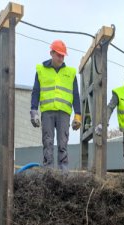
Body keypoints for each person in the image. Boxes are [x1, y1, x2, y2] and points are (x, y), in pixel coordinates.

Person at [30, 40, 81, 171]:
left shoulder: (70, 73)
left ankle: (63, 172)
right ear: (51, 53)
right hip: (47, 112)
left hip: (64, 113)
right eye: (58, 55)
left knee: (63, 143)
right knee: (48, 142)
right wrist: (34, 110)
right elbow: (36, 91)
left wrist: (78, 115)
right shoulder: (41, 70)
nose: (61, 58)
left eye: (63, 55)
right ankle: (48, 170)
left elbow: (76, 94)